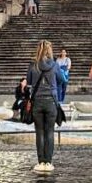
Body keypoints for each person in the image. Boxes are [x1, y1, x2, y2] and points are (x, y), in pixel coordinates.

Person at [27, 40, 65, 173]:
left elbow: (29, 81)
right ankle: (48, 161)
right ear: (50, 50)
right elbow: (62, 80)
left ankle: (40, 161)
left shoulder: (33, 65)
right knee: (49, 132)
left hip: (37, 101)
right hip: (51, 101)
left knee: (39, 132)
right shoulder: (54, 65)